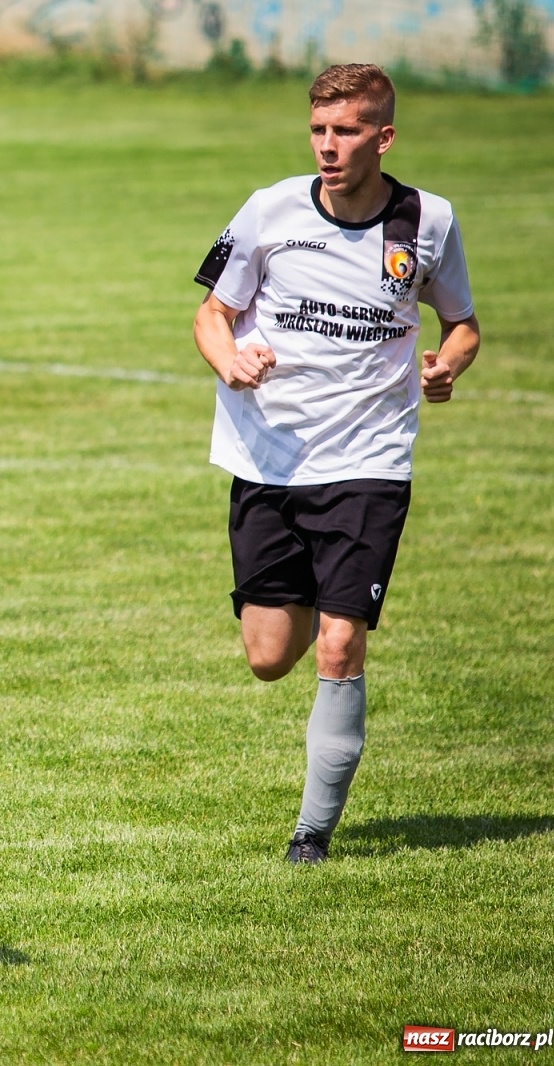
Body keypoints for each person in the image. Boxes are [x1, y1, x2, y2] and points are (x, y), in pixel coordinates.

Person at [191, 64, 479, 864]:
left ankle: (310, 837)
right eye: (318, 129)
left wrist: (448, 365)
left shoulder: (427, 221)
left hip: (368, 462)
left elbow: (461, 323)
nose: (328, 145)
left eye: (346, 131)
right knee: (267, 656)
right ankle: (331, 589)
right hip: (270, 458)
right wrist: (230, 362)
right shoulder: (269, 211)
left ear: (383, 138)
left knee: (339, 644)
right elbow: (212, 313)